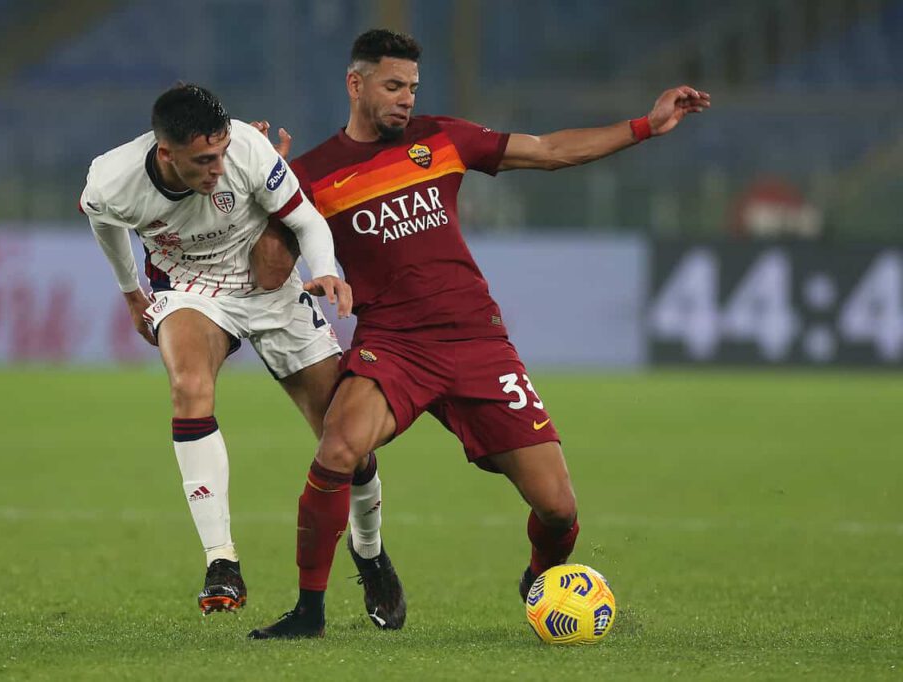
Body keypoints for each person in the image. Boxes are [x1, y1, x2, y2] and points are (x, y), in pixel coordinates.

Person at [248, 29, 710, 639]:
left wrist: (646, 125)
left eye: (412, 87)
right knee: (338, 450)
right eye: (392, 86)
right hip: (396, 345)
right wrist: (265, 186)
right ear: (355, 85)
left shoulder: (440, 138)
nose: (406, 99)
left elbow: (549, 150)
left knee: (559, 508)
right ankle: (310, 611)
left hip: (477, 344)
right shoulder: (310, 174)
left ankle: (540, 580)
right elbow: (269, 274)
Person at [80, 83, 405, 626]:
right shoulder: (114, 180)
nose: (217, 168)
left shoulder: (246, 152)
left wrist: (323, 270)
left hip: (273, 293)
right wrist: (132, 290)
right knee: (189, 388)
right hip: (192, 289)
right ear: (167, 153)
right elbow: (101, 220)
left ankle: (369, 552)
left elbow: (305, 220)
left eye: (222, 153)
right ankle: (221, 562)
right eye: (203, 160)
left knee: (346, 439)